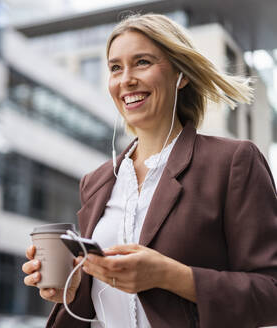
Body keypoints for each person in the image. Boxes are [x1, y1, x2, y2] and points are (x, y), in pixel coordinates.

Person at [22, 13, 277, 328]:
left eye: (142, 62)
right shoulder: (97, 181)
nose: (125, 79)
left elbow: (271, 293)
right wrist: (72, 287)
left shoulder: (234, 162)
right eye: (116, 68)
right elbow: (96, 303)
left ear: (180, 75)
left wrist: (170, 275)